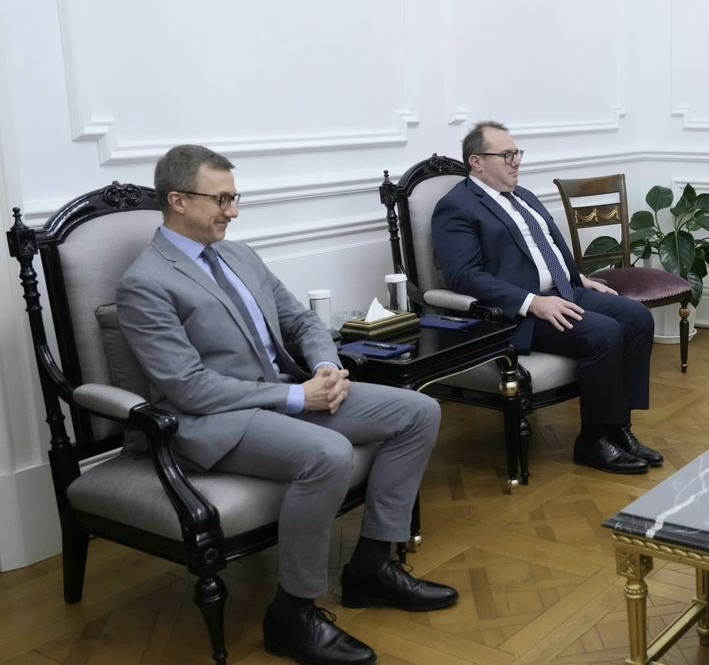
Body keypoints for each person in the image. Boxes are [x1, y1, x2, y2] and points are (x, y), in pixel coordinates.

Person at [117, 145, 458, 665]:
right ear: (178, 200)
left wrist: (324, 367)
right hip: (216, 420)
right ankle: (292, 615)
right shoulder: (145, 283)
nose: (233, 211)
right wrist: (298, 395)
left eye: (235, 198)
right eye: (221, 199)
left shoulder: (240, 256)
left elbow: (300, 321)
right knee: (327, 454)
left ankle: (371, 567)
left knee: (418, 411)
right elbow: (188, 388)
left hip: (286, 393)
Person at [431, 121, 661, 474]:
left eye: (517, 153)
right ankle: (593, 442)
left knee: (637, 318)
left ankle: (619, 429)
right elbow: (464, 276)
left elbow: (545, 248)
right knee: (603, 332)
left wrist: (578, 278)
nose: (516, 162)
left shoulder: (523, 196)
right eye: (506, 155)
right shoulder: (457, 207)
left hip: (565, 291)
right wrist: (533, 302)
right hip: (517, 313)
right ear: (476, 162)